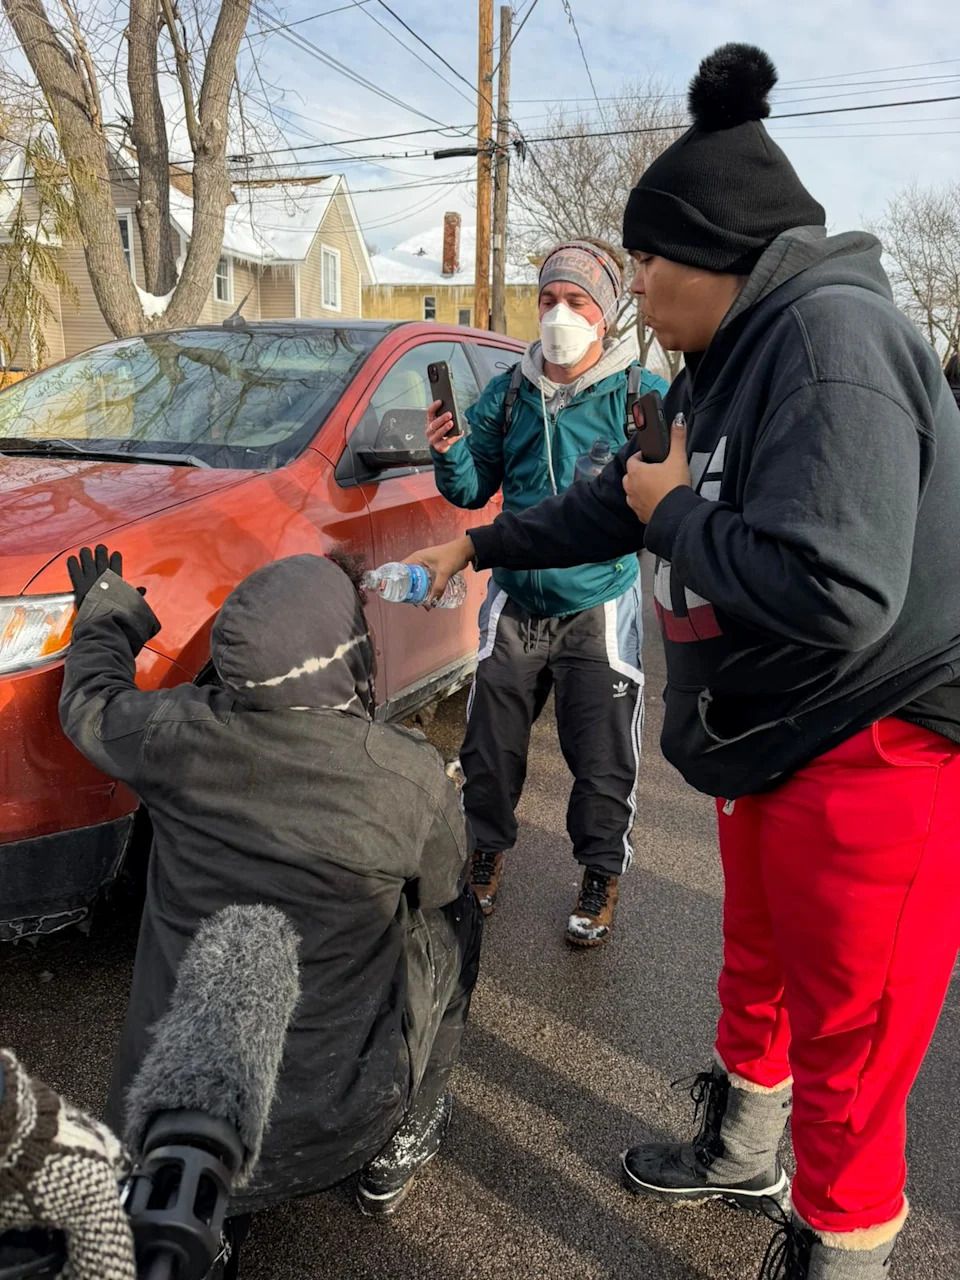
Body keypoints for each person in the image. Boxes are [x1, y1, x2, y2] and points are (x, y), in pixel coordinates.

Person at [404, 42, 960, 1280]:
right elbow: (618, 497)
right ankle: (746, 1148)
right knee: (758, 963)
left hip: (877, 738)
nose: (632, 287)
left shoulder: (832, 342)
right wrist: (481, 542)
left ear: (715, 251)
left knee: (855, 1035)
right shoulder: (725, 358)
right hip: (779, 733)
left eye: (646, 262)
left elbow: (841, 587)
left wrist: (669, 515)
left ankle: (840, 1247)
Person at [57, 546, 482, 1260]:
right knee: (455, 924)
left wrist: (108, 615)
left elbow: (89, 704)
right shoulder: (404, 777)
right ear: (348, 654)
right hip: (339, 1117)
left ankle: (205, 1219)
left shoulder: (175, 736)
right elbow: (443, 887)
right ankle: (399, 1146)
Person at [426, 238, 667, 946]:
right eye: (548, 300)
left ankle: (599, 873)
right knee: (489, 749)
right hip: (515, 603)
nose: (559, 314)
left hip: (598, 602)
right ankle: (485, 856)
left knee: (600, 758)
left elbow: (664, 499)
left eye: (577, 302)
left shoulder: (640, 394)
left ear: (606, 315)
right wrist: (449, 454)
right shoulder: (507, 394)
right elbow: (474, 489)